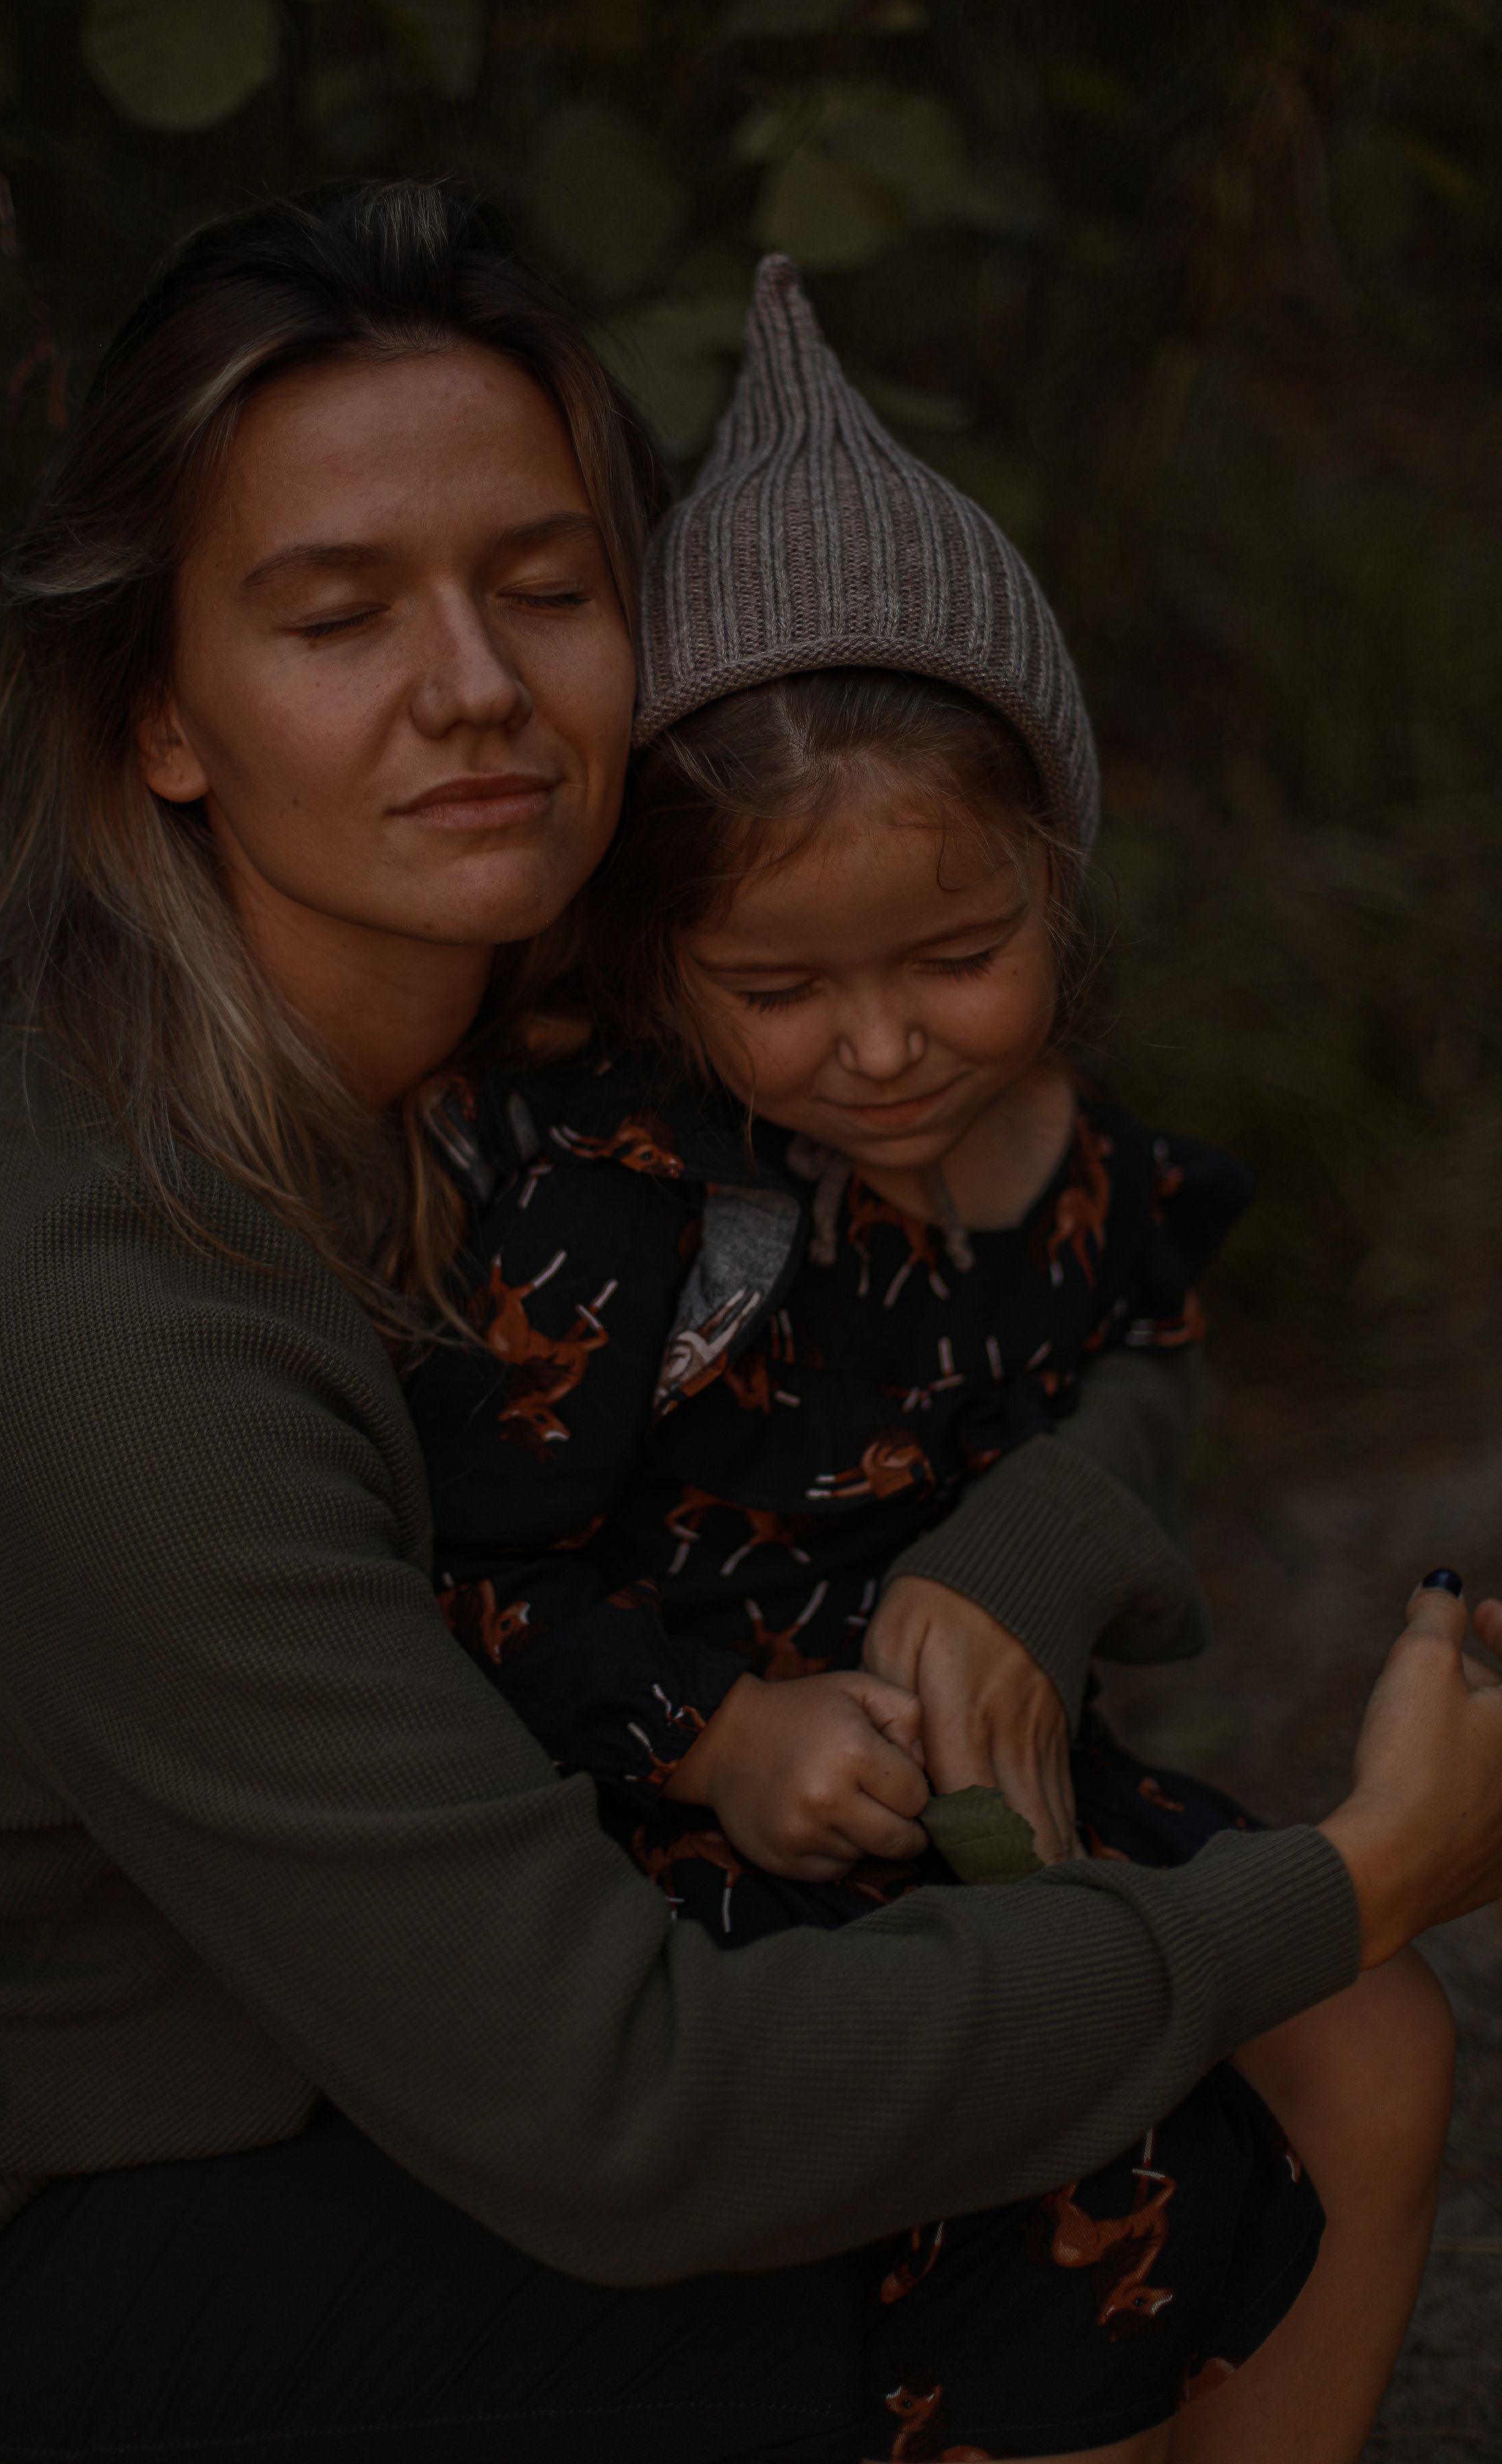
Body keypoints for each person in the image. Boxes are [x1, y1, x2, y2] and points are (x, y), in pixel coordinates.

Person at [0, 181, 1495, 2464]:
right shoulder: (107, 1311)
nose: (473, 684)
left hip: (440, 2006)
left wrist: (1031, 1552)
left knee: (1141, 2123)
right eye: (333, 613)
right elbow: (639, 2115)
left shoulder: (622, 1030)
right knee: (983, 2227)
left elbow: (1081, 1294)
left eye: (548, 590)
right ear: (161, 721)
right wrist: (1348, 1881)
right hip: (43, 2197)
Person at [399, 255, 1455, 2460]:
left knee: (1375, 2031)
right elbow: (473, 1581)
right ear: (661, 960)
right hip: (733, 1830)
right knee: (1106, 2188)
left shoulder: (1060, 1148)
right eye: (779, 989)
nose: (882, 1048)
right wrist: (718, 1734)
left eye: (961, 958)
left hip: (995, 1798)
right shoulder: (633, 1206)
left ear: (1057, 886)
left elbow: (1139, 1348)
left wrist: (1037, 1552)